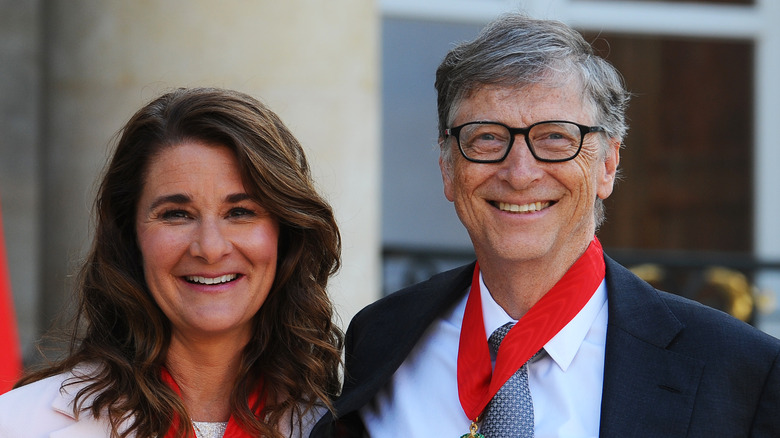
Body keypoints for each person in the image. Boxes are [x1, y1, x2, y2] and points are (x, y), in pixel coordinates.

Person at [310, 13, 780, 438]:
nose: (520, 172)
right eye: (487, 138)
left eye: (555, 137)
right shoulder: (380, 337)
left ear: (607, 166)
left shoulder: (740, 372)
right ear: (448, 169)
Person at [0, 87, 343, 438]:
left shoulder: (341, 427)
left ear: (285, 235)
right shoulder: (16, 425)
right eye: (176, 214)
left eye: (240, 212)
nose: (210, 248)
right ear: (129, 234)